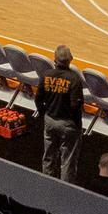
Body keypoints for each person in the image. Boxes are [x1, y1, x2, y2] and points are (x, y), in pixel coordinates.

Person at [37, 45, 84, 178]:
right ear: (71, 59)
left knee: (48, 156)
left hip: (50, 119)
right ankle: (66, 192)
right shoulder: (74, 79)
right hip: (68, 123)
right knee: (68, 161)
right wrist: (76, 124)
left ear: (54, 59)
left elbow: (38, 99)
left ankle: (46, 184)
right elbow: (76, 106)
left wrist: (44, 114)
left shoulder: (46, 75)